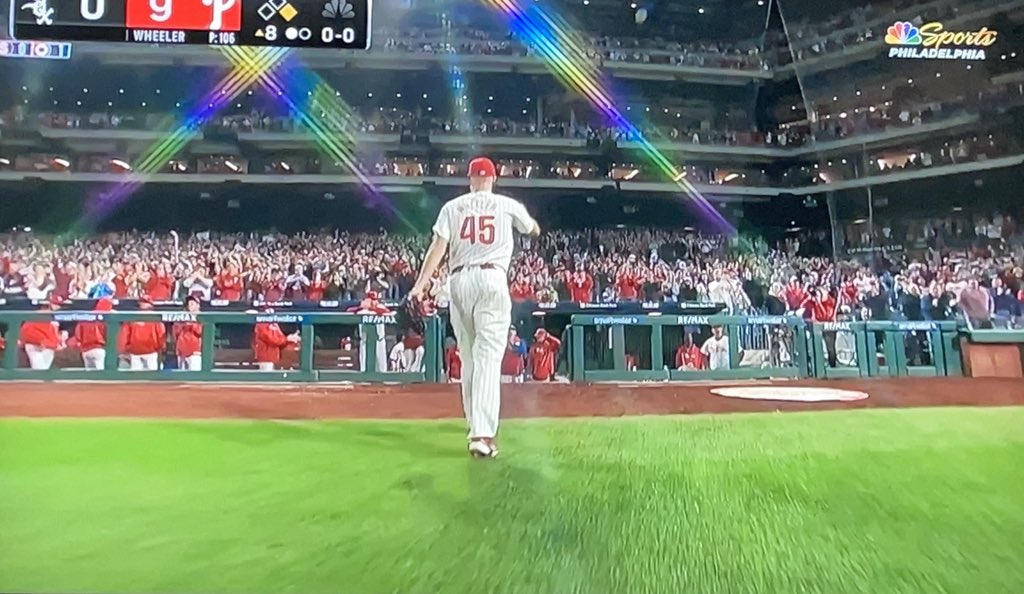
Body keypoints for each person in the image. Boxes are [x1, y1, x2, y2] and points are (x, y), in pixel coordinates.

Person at [410, 156, 540, 458]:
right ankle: (481, 433)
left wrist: (420, 285)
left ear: (470, 180)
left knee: (469, 360)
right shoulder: (506, 204)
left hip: (459, 281)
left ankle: (475, 428)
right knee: (487, 360)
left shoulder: (452, 207)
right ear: (493, 179)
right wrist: (531, 226)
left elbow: (438, 248)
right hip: (491, 277)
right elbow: (532, 229)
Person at [119, 295, 166, 370]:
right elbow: (124, 335)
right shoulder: (132, 317)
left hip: (151, 353)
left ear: (151, 304)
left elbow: (161, 335)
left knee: (152, 378)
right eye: (142, 302)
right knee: (136, 379)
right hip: (135, 353)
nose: (144, 304)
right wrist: (123, 350)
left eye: (146, 302)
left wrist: (161, 349)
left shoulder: (156, 318)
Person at [20, 295, 65, 370]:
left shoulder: (54, 318)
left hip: (46, 346)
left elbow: (53, 334)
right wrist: (41, 342)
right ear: (49, 303)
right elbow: (27, 330)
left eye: (59, 305)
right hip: (34, 344)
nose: (57, 306)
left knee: (44, 369)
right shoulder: (38, 315)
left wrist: (57, 343)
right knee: (38, 369)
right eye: (55, 304)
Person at [72, 297, 113, 370]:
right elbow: (109, 337)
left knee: (90, 377)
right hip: (98, 350)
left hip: (85, 350)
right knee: (100, 375)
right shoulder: (105, 319)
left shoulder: (86, 317)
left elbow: (78, 335)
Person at [172, 296, 203, 370]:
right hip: (181, 351)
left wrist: (192, 324)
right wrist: (182, 323)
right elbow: (175, 332)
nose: (189, 305)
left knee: (194, 377)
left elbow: (201, 332)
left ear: (198, 305)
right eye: (188, 303)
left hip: (195, 352)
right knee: (181, 378)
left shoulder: (202, 317)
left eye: (192, 303)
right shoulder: (180, 317)